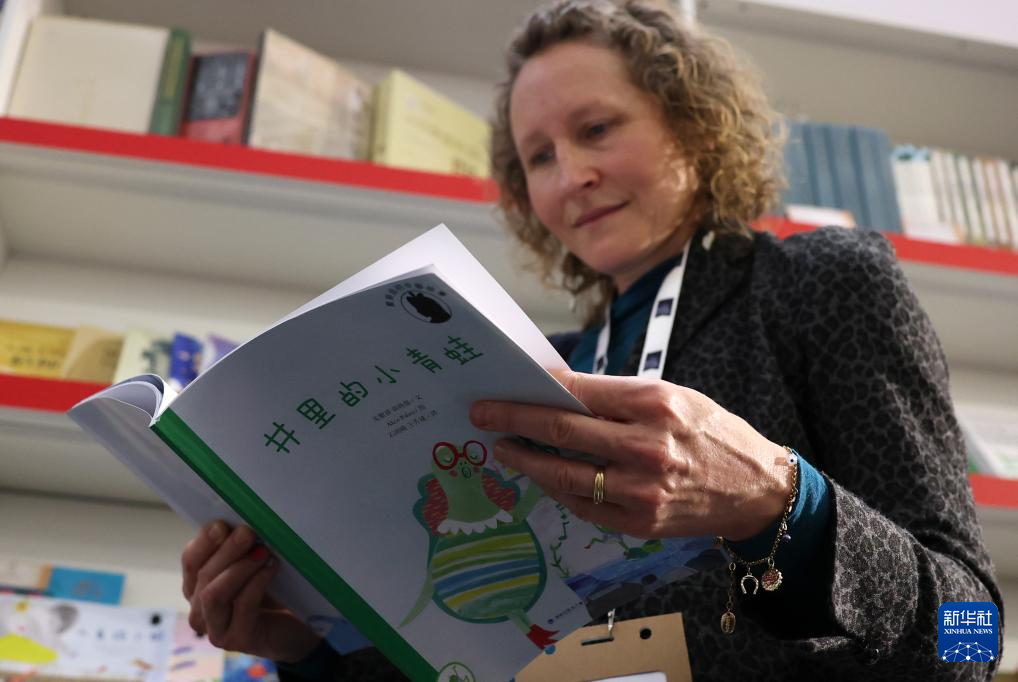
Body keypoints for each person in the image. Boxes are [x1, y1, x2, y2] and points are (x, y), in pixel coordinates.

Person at [178, 1, 1004, 679]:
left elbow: (972, 635)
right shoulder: (522, 367)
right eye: (539, 157)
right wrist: (305, 647)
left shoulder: (821, 284)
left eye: (598, 129)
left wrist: (779, 500)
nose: (572, 175)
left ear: (694, 127)